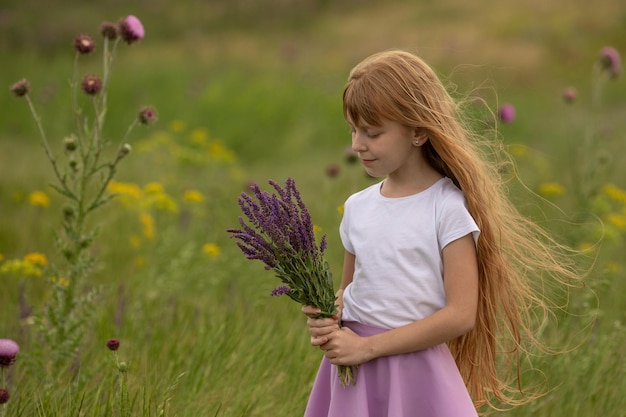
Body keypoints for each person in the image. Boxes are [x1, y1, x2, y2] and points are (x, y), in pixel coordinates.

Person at [302, 50, 583, 416]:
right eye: (353, 130)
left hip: (414, 371)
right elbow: (352, 291)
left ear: (418, 131)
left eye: (372, 133)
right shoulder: (357, 207)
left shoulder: (446, 208)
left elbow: (460, 314)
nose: (357, 145)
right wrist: (328, 313)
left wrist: (369, 348)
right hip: (357, 372)